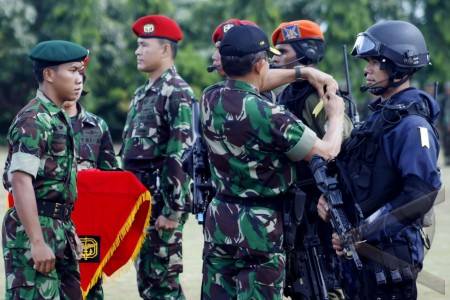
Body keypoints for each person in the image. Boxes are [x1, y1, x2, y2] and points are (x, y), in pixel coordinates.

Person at [200, 24, 346, 300]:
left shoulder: (210, 97)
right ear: (259, 64)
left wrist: (303, 72)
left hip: (220, 218)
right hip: (260, 227)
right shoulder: (272, 116)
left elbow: (257, 82)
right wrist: (336, 115)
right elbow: (326, 151)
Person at [317, 20, 441, 300]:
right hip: (359, 261)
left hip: (389, 259)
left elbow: (420, 194)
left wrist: (363, 232)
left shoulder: (412, 126)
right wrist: (328, 199)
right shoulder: (380, 119)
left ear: (397, 66)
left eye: (375, 62)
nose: (366, 69)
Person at [271, 19, 353, 299]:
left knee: (324, 283)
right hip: (295, 206)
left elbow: (342, 148)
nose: (277, 58)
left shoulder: (318, 95)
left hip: (319, 208)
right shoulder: (286, 93)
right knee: (298, 282)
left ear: (305, 52)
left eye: (284, 51)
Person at [2, 40, 87, 299]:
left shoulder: (55, 117)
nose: (79, 78)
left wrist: (68, 231)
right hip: (35, 231)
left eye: (80, 72)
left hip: (59, 228)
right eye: (72, 70)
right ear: (49, 74)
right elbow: (19, 180)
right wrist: (37, 242)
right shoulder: (33, 119)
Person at [120, 15, 195, 299]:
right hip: (140, 204)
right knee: (149, 283)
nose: (137, 51)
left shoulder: (177, 92)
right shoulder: (142, 95)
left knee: (163, 285)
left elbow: (180, 153)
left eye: (143, 45)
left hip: (162, 207)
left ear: (165, 49)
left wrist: (172, 211)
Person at [62, 71, 119, 299]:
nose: (76, 85)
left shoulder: (97, 125)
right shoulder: (40, 122)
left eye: (80, 80)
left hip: (89, 222)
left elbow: (111, 176)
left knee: (91, 285)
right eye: (71, 79)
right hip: (52, 220)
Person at [439, 81, 450, 165]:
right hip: (444, 124)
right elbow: (442, 112)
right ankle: (447, 157)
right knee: (445, 141)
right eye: (446, 89)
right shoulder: (443, 99)